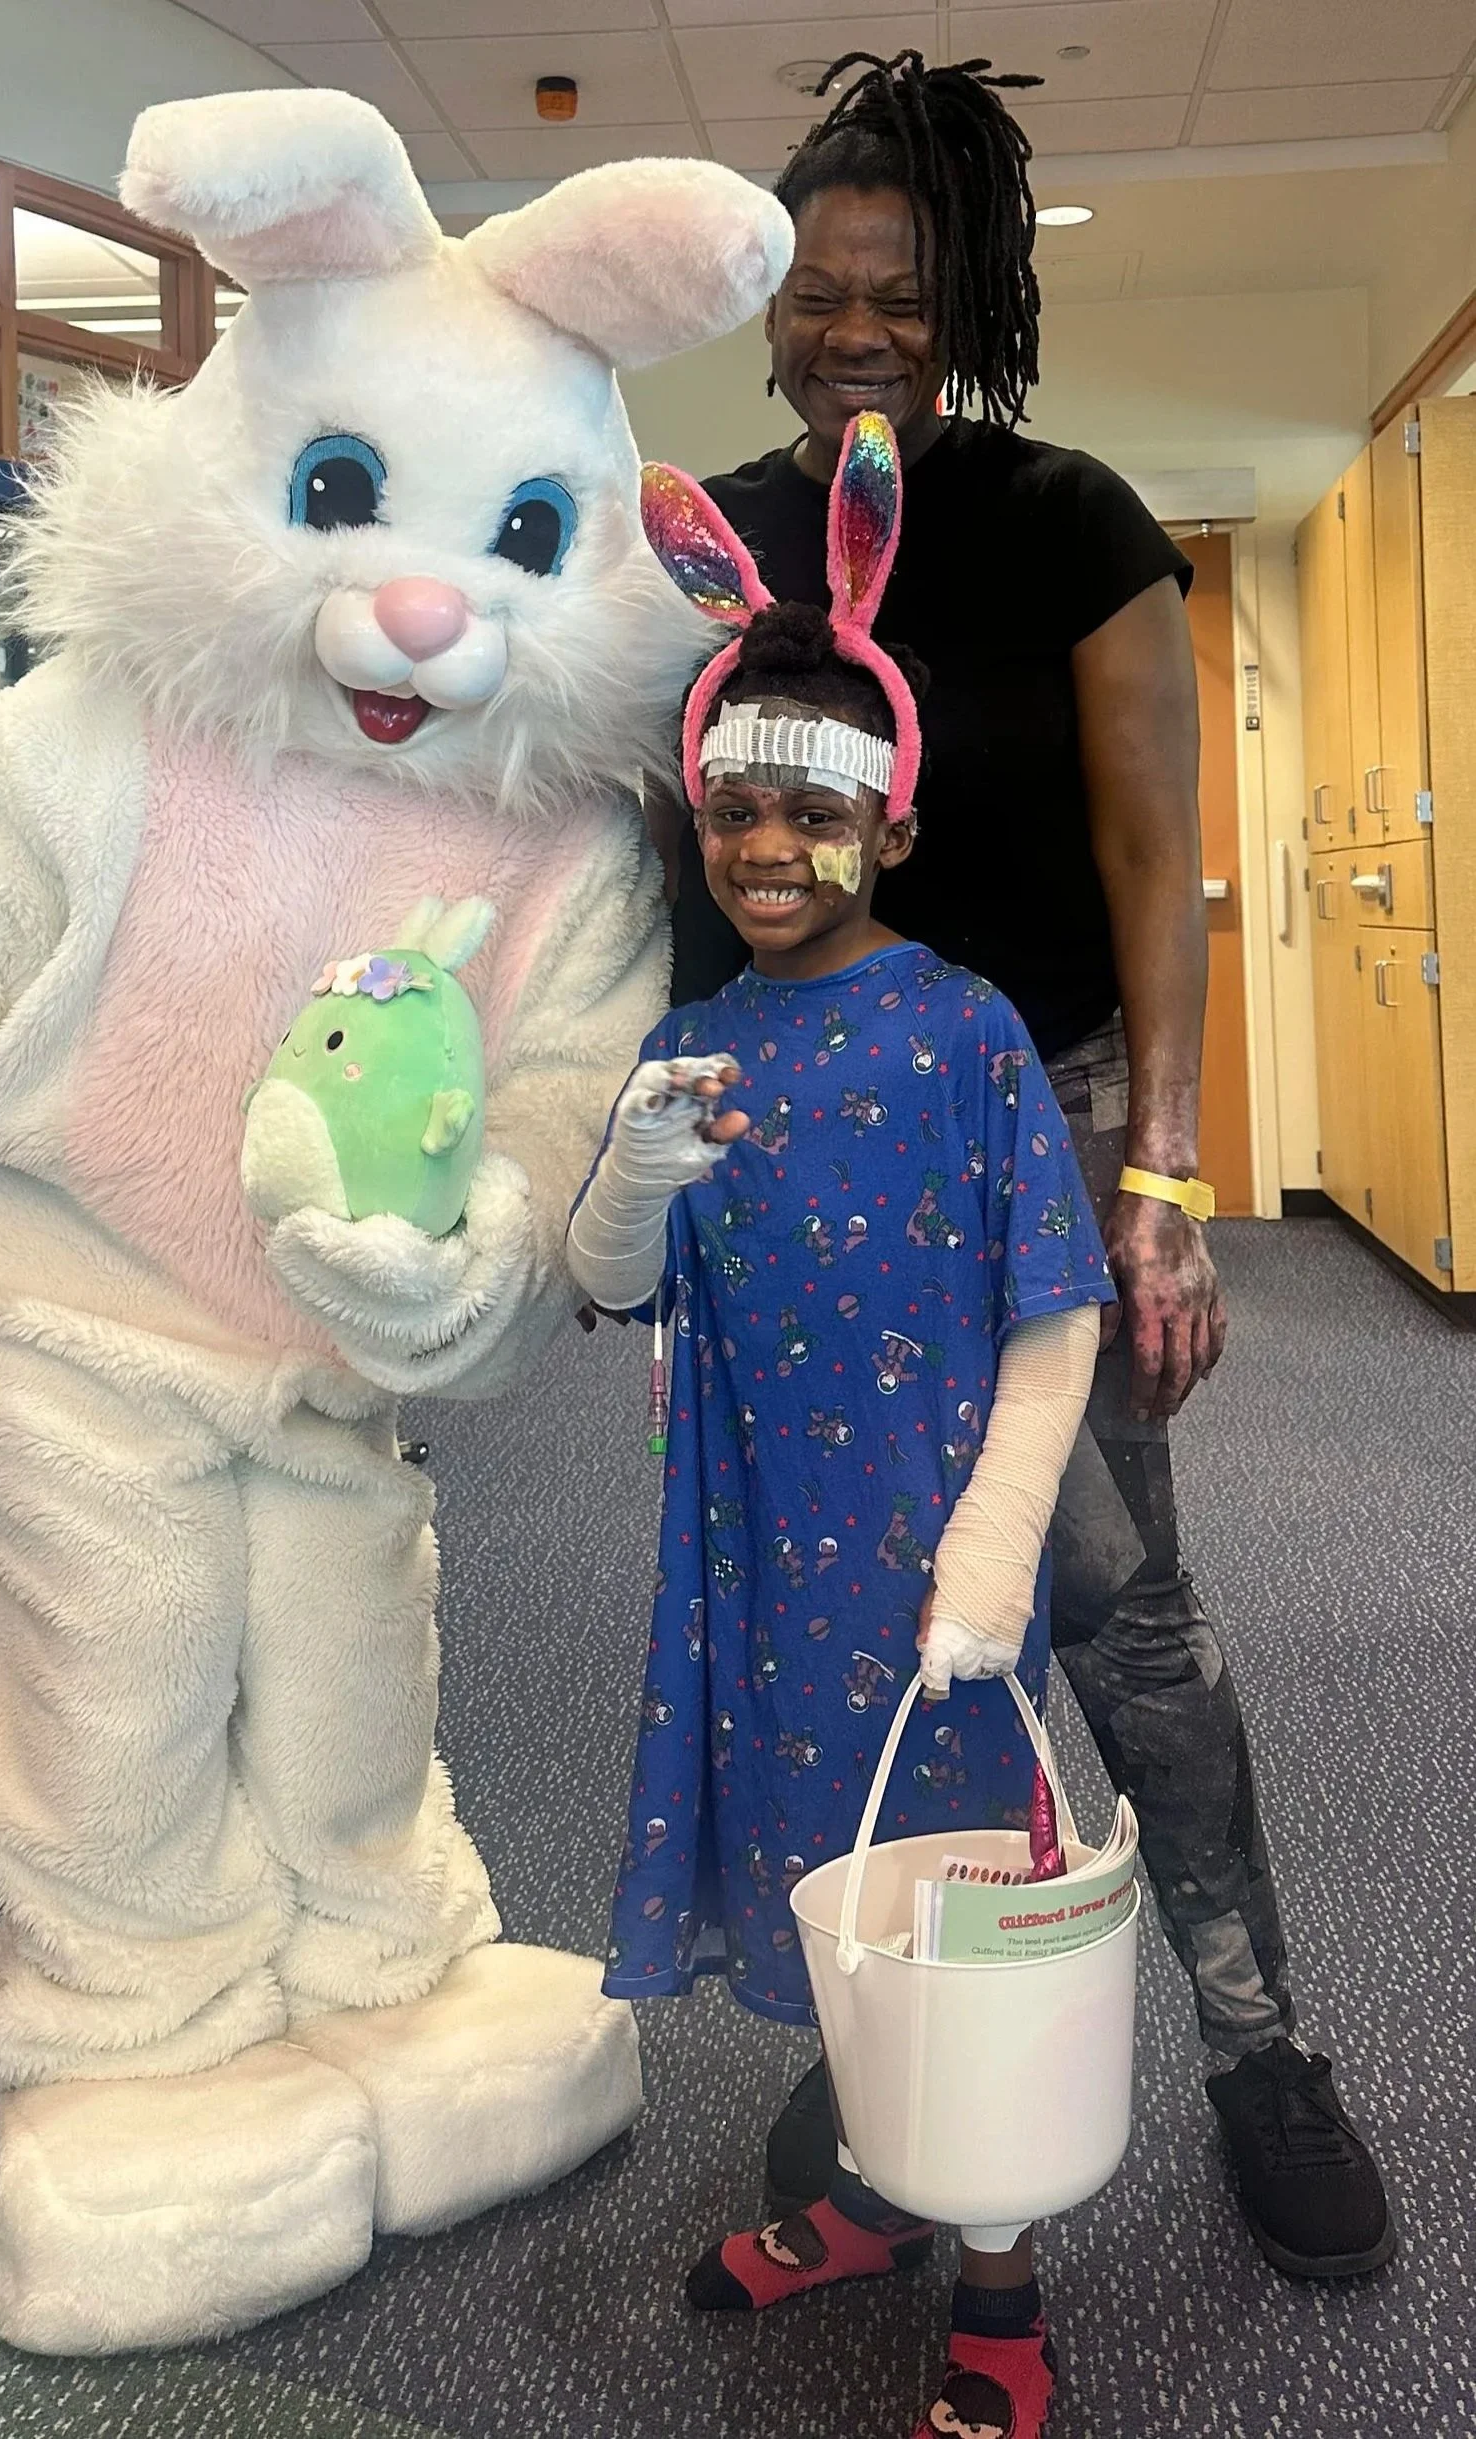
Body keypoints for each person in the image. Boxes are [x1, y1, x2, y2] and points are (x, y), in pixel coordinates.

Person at [657, 46, 1391, 2282]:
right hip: (787, 1147)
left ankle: (1258, 2044)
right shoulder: (704, 540)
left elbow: (1153, 855)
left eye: (900, 291)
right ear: (768, 312)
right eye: (816, 291)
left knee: (1112, 1608)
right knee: (838, 1606)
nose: (854, 328)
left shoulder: (1063, 516)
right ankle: (892, 2018)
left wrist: (1159, 1180)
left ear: (965, 306)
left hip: (1037, 1119)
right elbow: (658, 847)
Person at [571, 422, 1111, 2439]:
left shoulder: (963, 1028)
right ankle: (881, 2198)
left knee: (958, 1918)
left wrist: (991, 1556)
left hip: (929, 1569)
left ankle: (1001, 2293)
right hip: (753, 1563)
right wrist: (631, 1173)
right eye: (733, 814)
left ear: (887, 823)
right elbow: (608, 1284)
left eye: (812, 813)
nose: (767, 850)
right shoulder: (686, 1044)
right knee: (834, 1892)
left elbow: (1053, 1316)